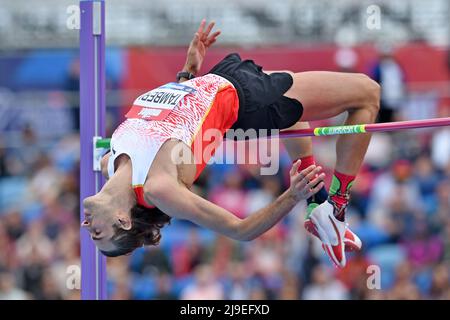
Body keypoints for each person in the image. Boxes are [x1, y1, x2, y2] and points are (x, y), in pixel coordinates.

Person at [82, 20, 377, 267]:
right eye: (96, 232)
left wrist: (187, 73)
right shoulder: (158, 188)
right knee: (367, 93)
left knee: (293, 115)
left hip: (222, 80)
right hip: (248, 101)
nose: (86, 225)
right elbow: (240, 230)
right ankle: (336, 208)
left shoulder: (110, 161)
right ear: (123, 220)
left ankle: (319, 204)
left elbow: (172, 120)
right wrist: (291, 195)